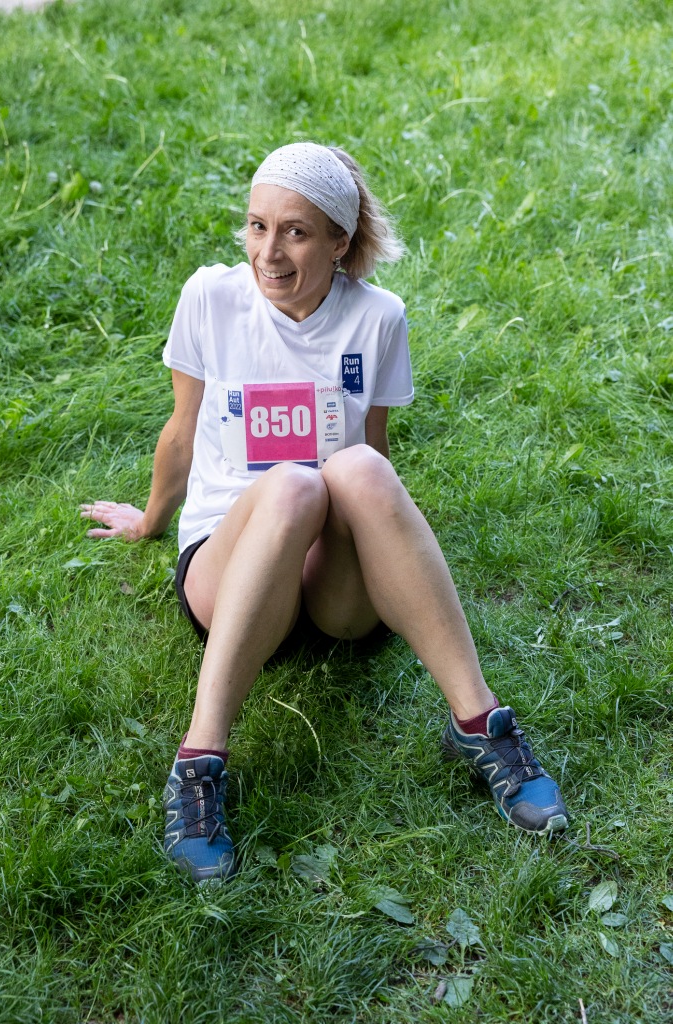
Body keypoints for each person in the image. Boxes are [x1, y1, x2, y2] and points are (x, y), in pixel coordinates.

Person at [81, 142, 568, 883]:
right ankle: (198, 763)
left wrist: (391, 546)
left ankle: (480, 723)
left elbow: (374, 459)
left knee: (359, 468)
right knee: (294, 487)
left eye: (295, 232)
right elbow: (181, 430)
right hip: (230, 568)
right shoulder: (211, 298)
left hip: (333, 596)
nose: (267, 253)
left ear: (339, 242)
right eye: (257, 226)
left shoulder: (378, 317)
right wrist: (150, 521)